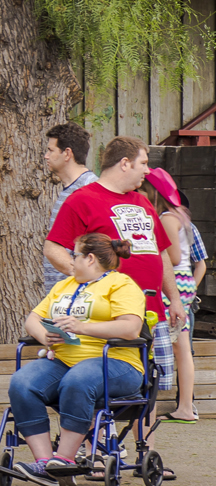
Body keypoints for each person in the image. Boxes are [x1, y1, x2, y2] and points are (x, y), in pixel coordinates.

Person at [45, 135, 185, 400]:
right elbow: (52, 248)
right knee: (99, 385)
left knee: (149, 385)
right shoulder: (81, 199)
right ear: (124, 163)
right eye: (143, 163)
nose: (147, 170)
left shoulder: (143, 201)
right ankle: (94, 442)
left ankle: (146, 444)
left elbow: (160, 251)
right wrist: (84, 279)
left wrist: (174, 299)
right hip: (107, 315)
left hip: (152, 311)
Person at [8, 234, 149, 486]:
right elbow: (32, 319)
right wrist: (45, 336)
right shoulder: (64, 285)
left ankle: (65, 460)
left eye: (75, 255)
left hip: (115, 363)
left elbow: (130, 328)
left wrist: (83, 328)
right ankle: (45, 464)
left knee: (78, 379)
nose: (71, 261)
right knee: (22, 382)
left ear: (90, 258)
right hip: (64, 361)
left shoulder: (122, 285)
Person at [145, 167, 204, 424]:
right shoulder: (181, 216)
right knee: (182, 349)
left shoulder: (168, 217)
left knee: (174, 345)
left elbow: (175, 257)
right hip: (186, 282)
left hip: (175, 284)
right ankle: (185, 407)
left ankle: (181, 406)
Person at [42, 122, 99, 291]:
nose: (46, 156)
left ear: (67, 153)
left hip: (81, 296)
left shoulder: (89, 189)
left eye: (51, 150)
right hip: (65, 295)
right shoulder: (70, 189)